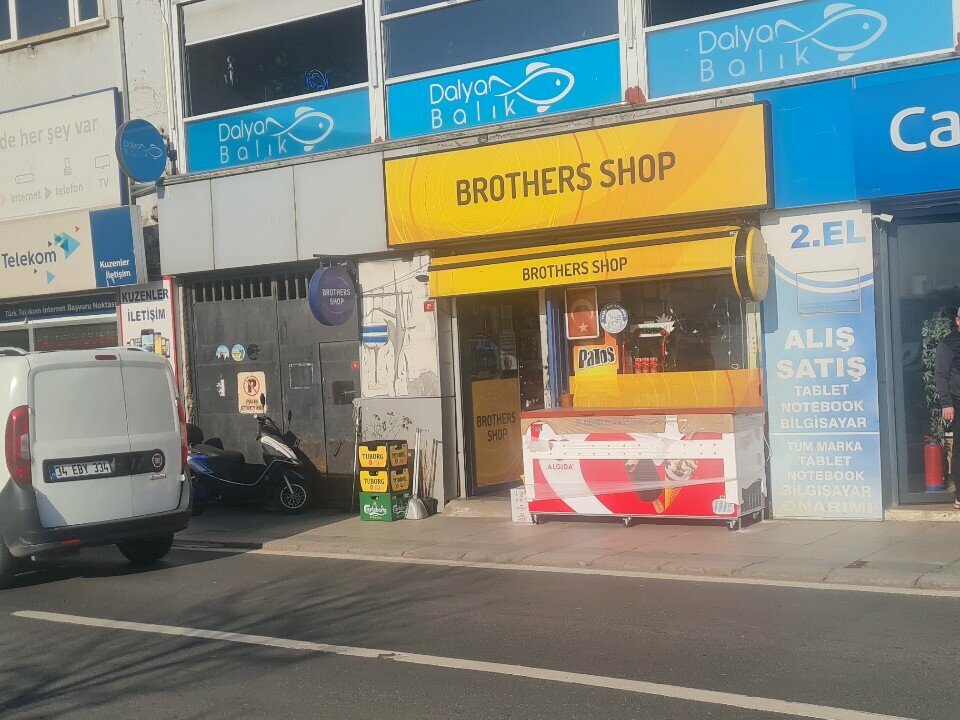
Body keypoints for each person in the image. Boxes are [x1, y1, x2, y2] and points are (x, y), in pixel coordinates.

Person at [933, 307, 960, 508]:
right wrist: (946, 403)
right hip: (957, 399)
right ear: (957, 321)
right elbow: (941, 375)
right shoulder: (948, 343)